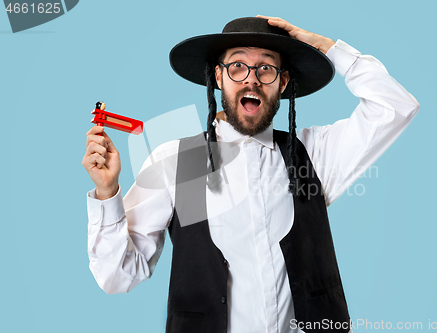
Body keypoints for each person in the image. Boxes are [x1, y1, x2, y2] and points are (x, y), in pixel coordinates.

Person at [83, 16, 419, 333]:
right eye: (238, 66)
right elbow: (117, 277)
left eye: (266, 68)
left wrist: (328, 47)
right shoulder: (180, 162)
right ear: (218, 77)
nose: (251, 78)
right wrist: (107, 194)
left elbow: (395, 107)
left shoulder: (314, 154)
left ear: (283, 83)